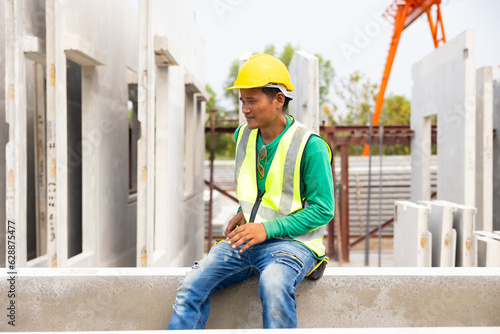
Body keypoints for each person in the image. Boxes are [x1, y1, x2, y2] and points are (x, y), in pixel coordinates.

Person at [167, 54, 334, 330]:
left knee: (274, 284)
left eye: (252, 101)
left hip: (294, 244)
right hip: (250, 239)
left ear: (278, 99)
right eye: (243, 100)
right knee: (190, 285)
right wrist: (242, 213)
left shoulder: (310, 145)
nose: (245, 108)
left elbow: (323, 209)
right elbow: (260, 190)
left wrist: (266, 229)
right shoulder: (243, 136)